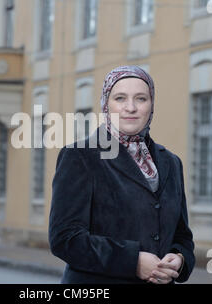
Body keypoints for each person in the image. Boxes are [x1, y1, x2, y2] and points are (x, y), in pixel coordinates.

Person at [48, 65, 195, 284]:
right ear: (106, 104)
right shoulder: (81, 156)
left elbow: (182, 235)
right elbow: (65, 239)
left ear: (151, 105)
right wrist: (132, 261)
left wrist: (179, 259)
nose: (131, 107)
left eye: (141, 99)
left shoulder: (170, 162)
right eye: (120, 98)